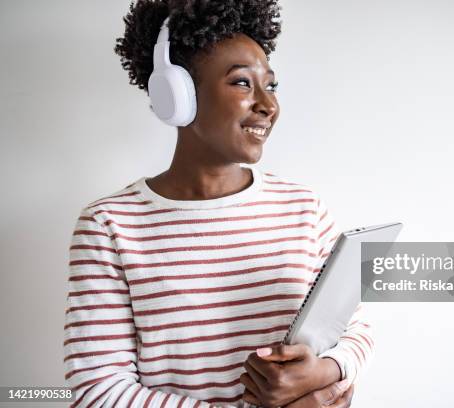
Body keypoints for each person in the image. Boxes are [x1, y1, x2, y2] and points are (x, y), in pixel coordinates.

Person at [64, 1, 373, 406]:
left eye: (272, 85)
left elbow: (355, 325)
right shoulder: (109, 225)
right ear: (179, 95)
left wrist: (327, 372)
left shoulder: (304, 208)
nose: (269, 104)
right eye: (243, 83)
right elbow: (97, 392)